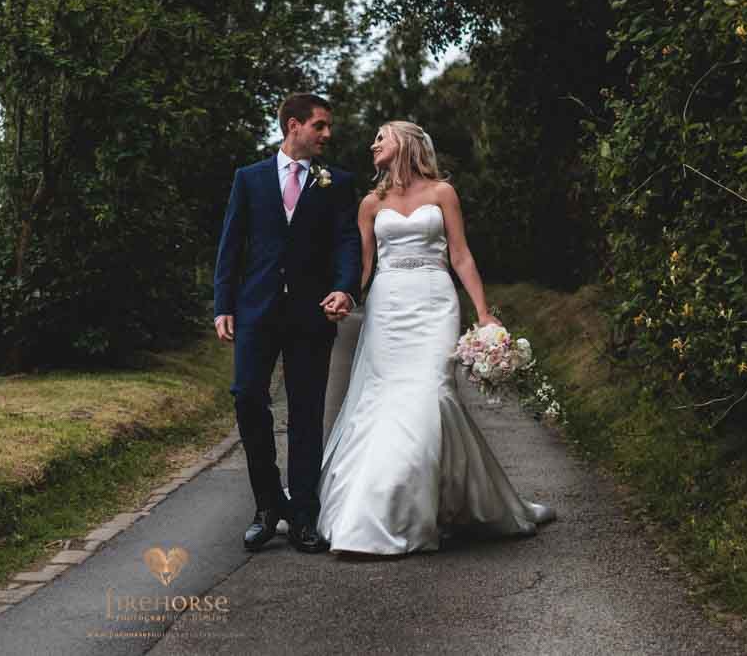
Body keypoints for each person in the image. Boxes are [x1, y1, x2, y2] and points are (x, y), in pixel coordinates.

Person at [317, 120, 555, 555]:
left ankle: (427, 507)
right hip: (388, 308)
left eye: (380, 138)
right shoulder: (372, 203)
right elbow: (365, 268)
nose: (373, 145)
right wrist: (346, 297)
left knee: (433, 396)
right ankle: (378, 512)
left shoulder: (443, 193)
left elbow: (460, 256)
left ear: (405, 142)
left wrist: (484, 315)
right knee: (387, 402)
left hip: (434, 303)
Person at [213, 93, 362, 553]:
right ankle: (267, 503)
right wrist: (223, 305)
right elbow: (231, 244)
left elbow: (346, 242)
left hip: (310, 314)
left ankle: (303, 514)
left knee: (306, 412)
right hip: (256, 311)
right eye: (319, 126)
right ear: (293, 126)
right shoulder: (249, 178)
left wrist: (345, 288)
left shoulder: (336, 182)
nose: (327, 135)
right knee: (247, 398)